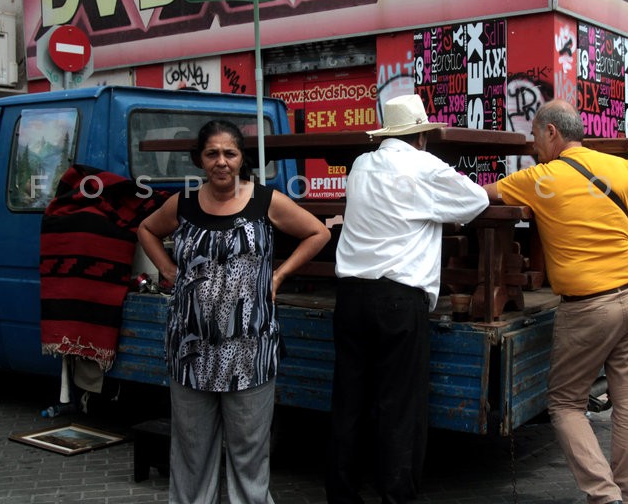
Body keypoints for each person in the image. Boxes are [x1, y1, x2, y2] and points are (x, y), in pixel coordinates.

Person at [482, 99, 628, 504]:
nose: (532, 147)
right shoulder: (622, 168)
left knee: (564, 404)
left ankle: (605, 497)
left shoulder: (540, 178)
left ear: (551, 133)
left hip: (588, 310)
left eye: (534, 137)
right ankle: (626, 498)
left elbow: (481, 195)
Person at [137, 119, 331, 504]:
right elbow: (146, 229)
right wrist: (169, 270)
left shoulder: (265, 201)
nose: (221, 162)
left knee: (249, 453)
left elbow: (318, 233)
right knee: (192, 453)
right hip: (191, 351)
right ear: (199, 159)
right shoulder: (184, 204)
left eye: (230, 153)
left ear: (242, 158)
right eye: (212, 154)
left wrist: (278, 276)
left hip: (249, 351)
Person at [327, 94, 490, 504]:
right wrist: (436, 210)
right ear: (422, 136)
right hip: (398, 299)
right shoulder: (423, 165)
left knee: (349, 402)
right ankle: (396, 496)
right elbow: (477, 200)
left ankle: (342, 494)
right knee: (399, 407)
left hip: (350, 296)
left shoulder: (362, 165)